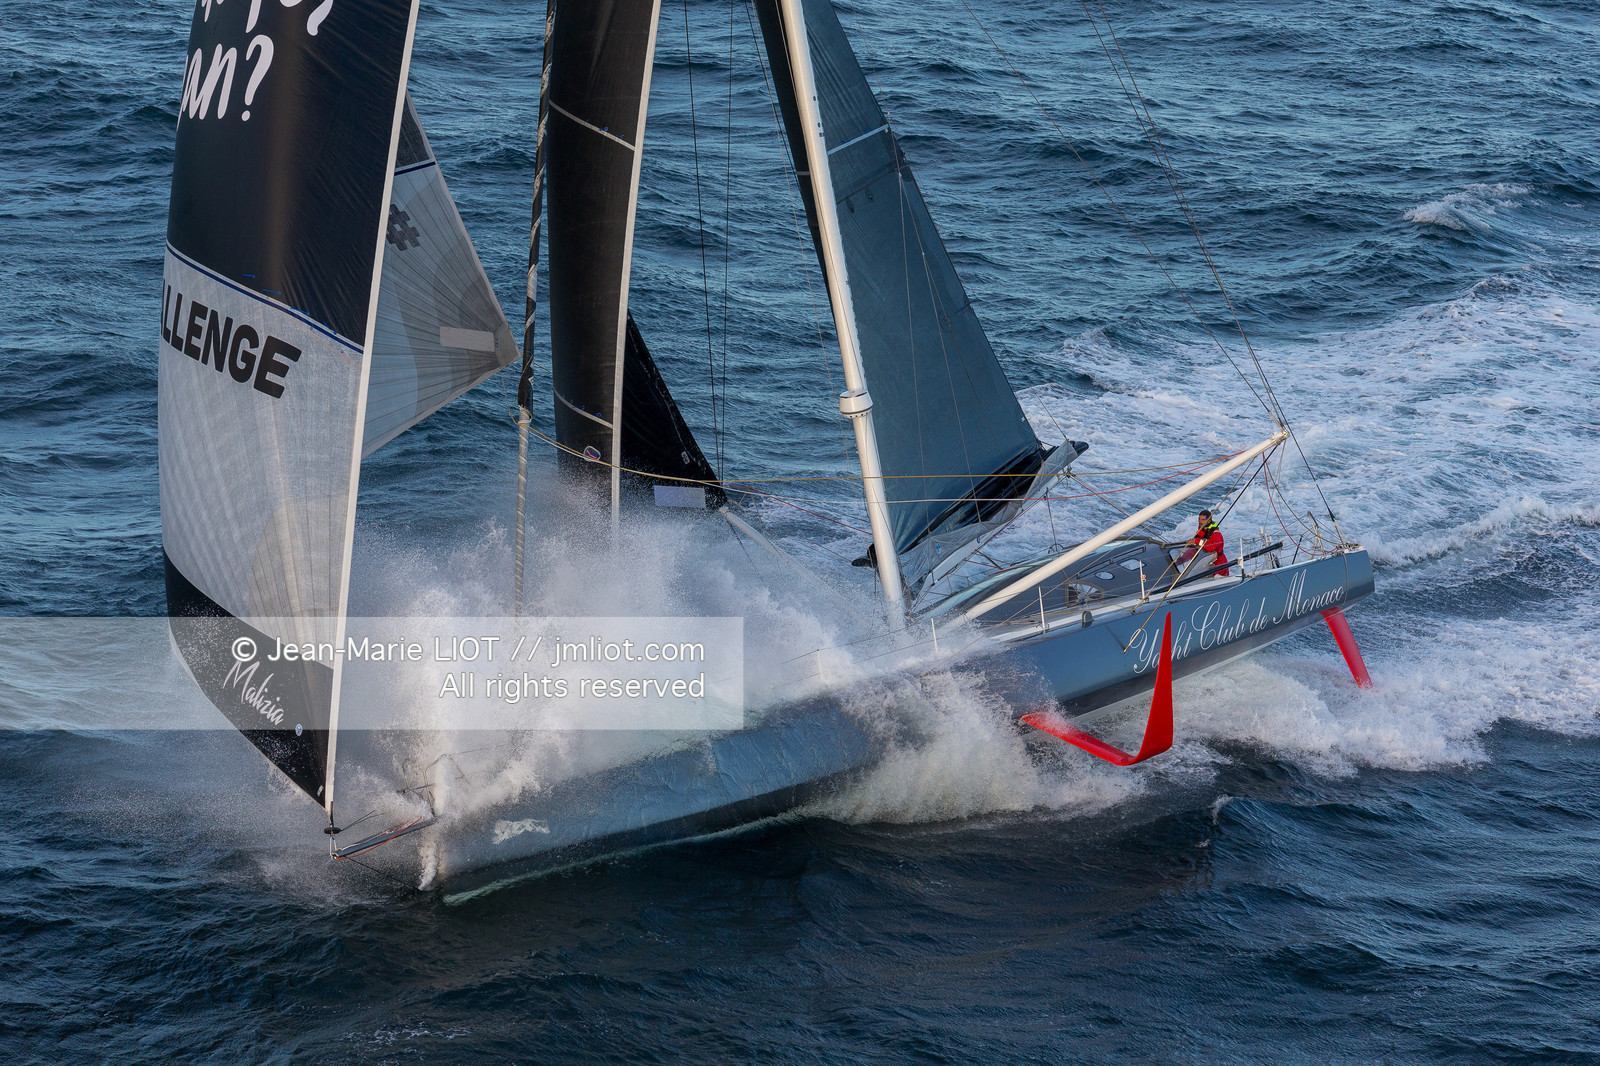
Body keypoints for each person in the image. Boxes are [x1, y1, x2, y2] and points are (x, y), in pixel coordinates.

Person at [1177, 509, 1229, 576]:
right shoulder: (1202, 530)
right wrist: (1179, 562)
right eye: (1199, 519)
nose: (1200, 522)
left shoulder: (1216, 534)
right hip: (1206, 564)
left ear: (1209, 521)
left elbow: (1211, 547)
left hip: (1219, 567)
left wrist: (1196, 541)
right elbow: (1193, 551)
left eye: (1203, 520)